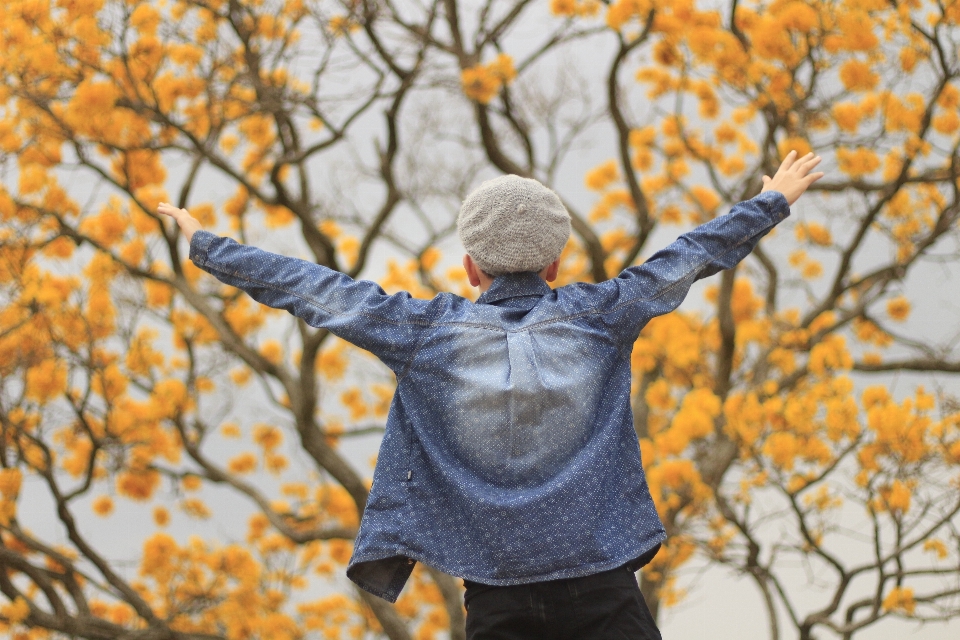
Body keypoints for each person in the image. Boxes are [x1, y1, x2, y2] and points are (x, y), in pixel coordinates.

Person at [159, 151, 823, 639]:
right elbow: (689, 256)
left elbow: (315, 290)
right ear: (557, 263)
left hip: (497, 599)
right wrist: (773, 199)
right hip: (605, 588)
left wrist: (207, 244)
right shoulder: (601, 315)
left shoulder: (424, 332)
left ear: (470, 266)